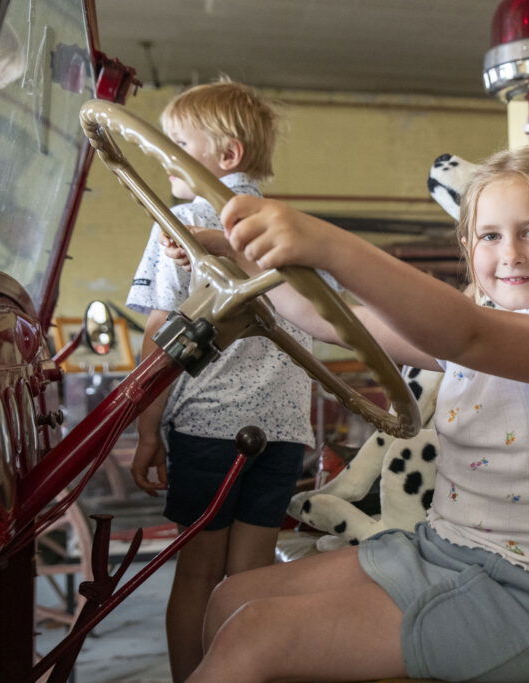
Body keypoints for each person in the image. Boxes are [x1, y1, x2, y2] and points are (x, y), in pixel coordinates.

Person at [173, 146, 529, 682]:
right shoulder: (471, 337)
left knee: (254, 636)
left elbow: (466, 332)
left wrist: (329, 245)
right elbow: (329, 321)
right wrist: (244, 261)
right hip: (442, 550)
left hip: (524, 595)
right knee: (230, 598)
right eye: (490, 235)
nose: (511, 255)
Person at [125, 79, 314, 683]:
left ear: (226, 155)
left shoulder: (176, 223)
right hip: (284, 428)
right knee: (252, 577)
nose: (164, 155)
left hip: (209, 424)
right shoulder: (296, 228)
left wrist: (148, 429)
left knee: (198, 573)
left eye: (177, 143)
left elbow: (162, 332)